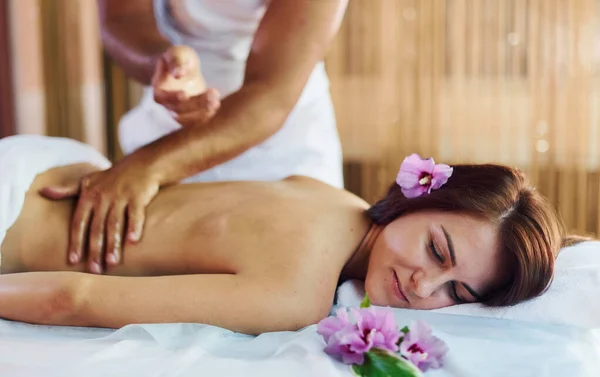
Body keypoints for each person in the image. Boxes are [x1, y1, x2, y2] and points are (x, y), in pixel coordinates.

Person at [0, 135, 567, 335]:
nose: (423, 287)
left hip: (48, 162)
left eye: (456, 294)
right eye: (437, 250)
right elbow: (71, 298)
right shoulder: (296, 292)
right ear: (422, 194)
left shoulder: (328, 194)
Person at [43, 0, 349, 275]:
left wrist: (149, 166)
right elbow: (123, 17)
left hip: (278, 141)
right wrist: (166, 66)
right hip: (170, 120)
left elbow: (270, 96)